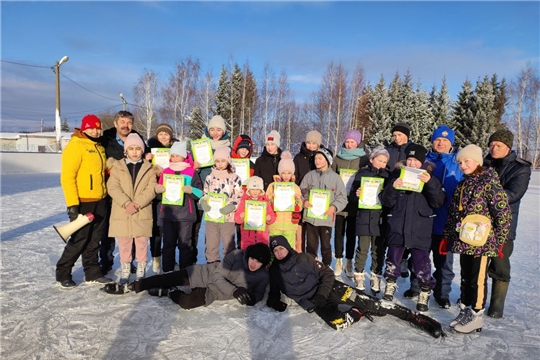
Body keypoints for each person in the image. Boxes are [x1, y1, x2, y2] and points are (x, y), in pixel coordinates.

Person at [266, 236, 443, 338]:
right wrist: (276, 303)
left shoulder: (303, 258)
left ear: (287, 247)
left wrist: (322, 293)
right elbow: (274, 293)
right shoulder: (275, 272)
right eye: (275, 251)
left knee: (375, 304)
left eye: (281, 248)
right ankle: (359, 311)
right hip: (316, 303)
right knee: (338, 323)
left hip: (332, 289)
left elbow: (327, 274)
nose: (278, 252)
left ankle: (413, 317)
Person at [443, 144, 511, 334]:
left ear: (477, 161)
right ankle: (465, 310)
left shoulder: (490, 183)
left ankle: (477, 314)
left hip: (483, 242)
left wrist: (499, 240)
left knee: (478, 279)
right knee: (465, 277)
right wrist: (447, 237)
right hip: (464, 239)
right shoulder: (462, 185)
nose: (463, 165)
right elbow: (453, 214)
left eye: (466, 161)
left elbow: (503, 214)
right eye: (460, 162)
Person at [380, 144, 446, 312]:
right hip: (398, 225)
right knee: (393, 259)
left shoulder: (431, 177)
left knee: (422, 262)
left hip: (420, 227)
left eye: (416, 160)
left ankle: (424, 291)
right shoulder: (397, 176)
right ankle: (390, 286)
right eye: (409, 159)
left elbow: (438, 201)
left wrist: (429, 183)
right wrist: (393, 187)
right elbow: (386, 202)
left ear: (422, 162)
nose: (412, 163)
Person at [408, 125, 463, 309]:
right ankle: (415, 286)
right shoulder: (423, 161)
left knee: (444, 262)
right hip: (423, 219)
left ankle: (442, 293)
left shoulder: (457, 163)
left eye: (445, 141)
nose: (440, 143)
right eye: (437, 140)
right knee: (419, 256)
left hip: (446, 221)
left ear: (451, 144)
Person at [124, 243, 271, 310]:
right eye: (253, 259)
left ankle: (170, 292)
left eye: (258, 262)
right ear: (248, 255)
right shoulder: (236, 255)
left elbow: (259, 293)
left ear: (263, 264)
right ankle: (135, 286)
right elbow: (217, 277)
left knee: (186, 303)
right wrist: (235, 291)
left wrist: (252, 300)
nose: (254, 264)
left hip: (215, 292)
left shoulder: (263, 276)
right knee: (168, 278)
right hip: (205, 274)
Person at [56, 114, 112, 288]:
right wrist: (72, 205)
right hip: (83, 201)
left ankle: (92, 272)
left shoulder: (98, 146)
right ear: (83, 128)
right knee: (80, 239)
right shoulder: (75, 146)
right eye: (91, 128)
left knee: (95, 239)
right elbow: (67, 177)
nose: (95, 131)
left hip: (100, 200)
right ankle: (63, 272)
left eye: (97, 127)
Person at [483, 129, 531, 318]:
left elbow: (513, 194)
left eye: (499, 145)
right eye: (492, 145)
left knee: (500, 265)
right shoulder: (483, 164)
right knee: (477, 263)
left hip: (504, 225)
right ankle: (475, 300)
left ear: (508, 147)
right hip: (480, 223)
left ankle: (496, 305)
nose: (494, 148)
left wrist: (483, 197)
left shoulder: (521, 168)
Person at [99, 110, 149, 274]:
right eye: (122, 122)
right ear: (115, 123)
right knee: (113, 231)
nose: (126, 125)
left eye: (129, 122)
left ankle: (134, 264)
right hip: (114, 195)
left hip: (136, 197)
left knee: (134, 231)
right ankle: (107, 263)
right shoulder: (106, 141)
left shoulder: (138, 139)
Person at [106, 134, 157, 282]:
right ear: (126, 150)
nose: (134, 152)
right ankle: (125, 267)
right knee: (124, 242)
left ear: (142, 150)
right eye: (131, 148)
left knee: (141, 242)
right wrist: (126, 203)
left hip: (141, 211)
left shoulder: (149, 168)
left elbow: (151, 188)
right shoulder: (117, 166)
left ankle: (141, 267)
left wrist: (138, 203)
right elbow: (113, 187)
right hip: (122, 211)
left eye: (138, 149)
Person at [155, 141, 203, 273]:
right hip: (168, 214)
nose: (175, 158)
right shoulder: (166, 171)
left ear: (184, 156)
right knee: (168, 245)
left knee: (185, 244)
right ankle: (167, 271)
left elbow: (200, 192)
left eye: (178, 155)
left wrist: (191, 190)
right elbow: (158, 192)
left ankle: (185, 273)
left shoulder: (191, 171)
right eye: (173, 155)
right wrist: (158, 190)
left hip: (185, 215)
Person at [349, 146, 390, 294]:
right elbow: (352, 196)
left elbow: (390, 199)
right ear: (372, 159)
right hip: (364, 217)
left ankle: (375, 275)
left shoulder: (388, 176)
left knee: (378, 250)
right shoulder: (362, 174)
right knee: (362, 249)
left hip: (380, 219)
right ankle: (359, 275)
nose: (382, 164)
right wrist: (357, 193)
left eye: (385, 162)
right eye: (379, 160)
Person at [192, 115, 231, 264]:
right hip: (200, 190)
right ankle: (192, 260)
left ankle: (213, 259)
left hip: (219, 196)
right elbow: (189, 169)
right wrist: (193, 166)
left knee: (214, 230)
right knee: (195, 227)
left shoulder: (228, 147)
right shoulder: (199, 146)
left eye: (219, 129)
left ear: (224, 131)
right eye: (212, 129)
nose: (215, 132)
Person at [300, 147, 347, 267]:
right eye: (315, 158)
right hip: (311, 218)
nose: (317, 161)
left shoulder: (335, 178)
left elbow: (342, 197)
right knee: (311, 244)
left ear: (327, 160)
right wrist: (304, 201)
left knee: (326, 245)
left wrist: (334, 207)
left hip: (326, 219)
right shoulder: (309, 176)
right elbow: (300, 192)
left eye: (320, 158)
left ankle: (327, 267)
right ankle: (311, 266)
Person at [331, 129, 367, 277]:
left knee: (351, 233)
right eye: (347, 141)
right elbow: (332, 175)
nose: (349, 144)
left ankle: (349, 261)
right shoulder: (338, 157)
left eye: (352, 142)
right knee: (339, 232)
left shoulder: (364, 159)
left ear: (358, 143)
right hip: (340, 199)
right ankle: (338, 260)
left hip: (355, 201)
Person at [198, 147, 243, 263]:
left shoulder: (235, 178)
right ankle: (212, 267)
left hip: (228, 218)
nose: (220, 164)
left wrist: (232, 206)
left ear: (228, 161)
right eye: (217, 161)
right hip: (212, 217)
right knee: (211, 244)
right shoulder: (210, 177)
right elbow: (205, 194)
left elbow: (239, 197)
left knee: (228, 244)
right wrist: (203, 201)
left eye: (223, 161)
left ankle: (229, 268)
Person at [146, 123, 177, 273]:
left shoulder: (177, 149)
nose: (164, 136)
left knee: (171, 229)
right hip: (156, 194)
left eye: (166, 133)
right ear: (156, 136)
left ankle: (170, 258)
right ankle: (156, 258)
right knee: (157, 229)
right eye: (161, 134)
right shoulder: (150, 151)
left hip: (174, 193)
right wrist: (147, 161)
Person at [293, 130, 323, 252]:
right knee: (299, 231)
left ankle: (311, 257)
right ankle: (299, 254)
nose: (311, 145)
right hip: (301, 196)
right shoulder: (299, 157)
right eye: (308, 142)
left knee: (312, 233)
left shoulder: (321, 158)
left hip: (317, 199)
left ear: (319, 145)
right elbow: (295, 176)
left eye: (314, 143)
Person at [266, 151, 303, 248]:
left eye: (289, 173)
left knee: (290, 248)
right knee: (275, 248)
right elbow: (265, 206)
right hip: (275, 224)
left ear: (292, 173)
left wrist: (298, 200)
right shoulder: (272, 186)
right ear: (279, 173)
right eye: (283, 173)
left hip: (290, 225)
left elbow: (299, 208)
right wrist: (269, 198)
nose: (286, 176)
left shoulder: (295, 188)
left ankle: (290, 263)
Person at [234, 176, 276, 249]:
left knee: (261, 256)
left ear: (261, 190)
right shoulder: (244, 202)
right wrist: (241, 216)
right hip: (247, 237)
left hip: (262, 237)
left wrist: (269, 218)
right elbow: (236, 219)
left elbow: (272, 217)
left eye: (257, 189)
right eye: (252, 189)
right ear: (248, 190)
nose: (255, 191)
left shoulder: (265, 202)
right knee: (247, 256)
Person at [231, 134, 255, 249]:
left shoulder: (251, 165)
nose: (244, 151)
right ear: (237, 148)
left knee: (243, 230)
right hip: (232, 199)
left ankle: (243, 250)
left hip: (246, 200)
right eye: (242, 148)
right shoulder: (230, 163)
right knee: (231, 230)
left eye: (247, 149)